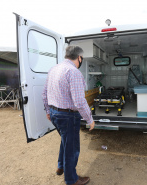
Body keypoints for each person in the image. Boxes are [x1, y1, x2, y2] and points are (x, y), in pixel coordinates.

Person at [42, 46, 95, 185]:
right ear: (79, 57)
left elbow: (44, 93)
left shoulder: (54, 69)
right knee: (72, 148)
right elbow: (79, 101)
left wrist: (48, 111)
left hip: (54, 114)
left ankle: (61, 167)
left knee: (66, 141)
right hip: (68, 117)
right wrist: (90, 119)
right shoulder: (74, 72)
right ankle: (72, 180)